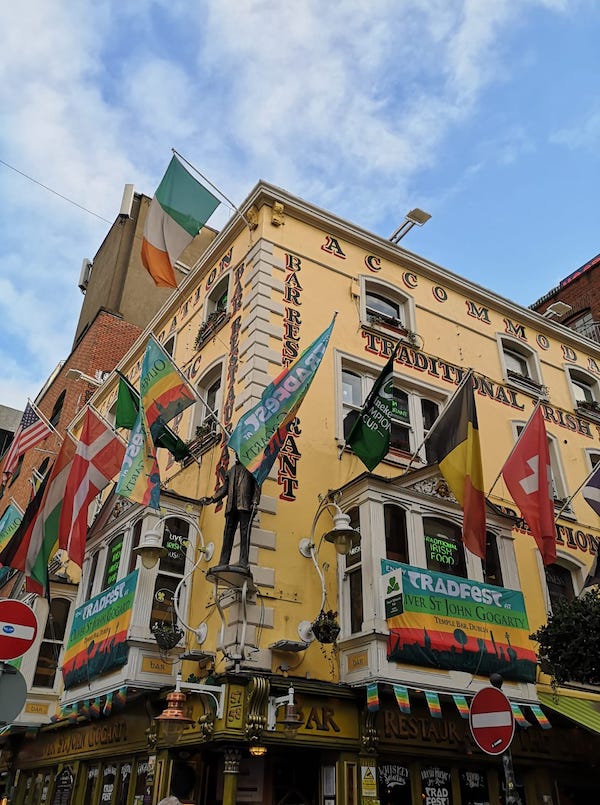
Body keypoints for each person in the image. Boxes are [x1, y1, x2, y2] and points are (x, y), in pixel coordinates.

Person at [201, 455, 261, 569]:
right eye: (237, 454)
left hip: (245, 504)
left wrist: (255, 502)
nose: (237, 456)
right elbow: (224, 489)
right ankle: (223, 561)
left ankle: (244, 561)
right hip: (231, 506)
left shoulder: (252, 468)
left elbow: (257, 486)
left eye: (240, 453)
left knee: (245, 534)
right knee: (227, 535)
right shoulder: (230, 471)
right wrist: (213, 498)